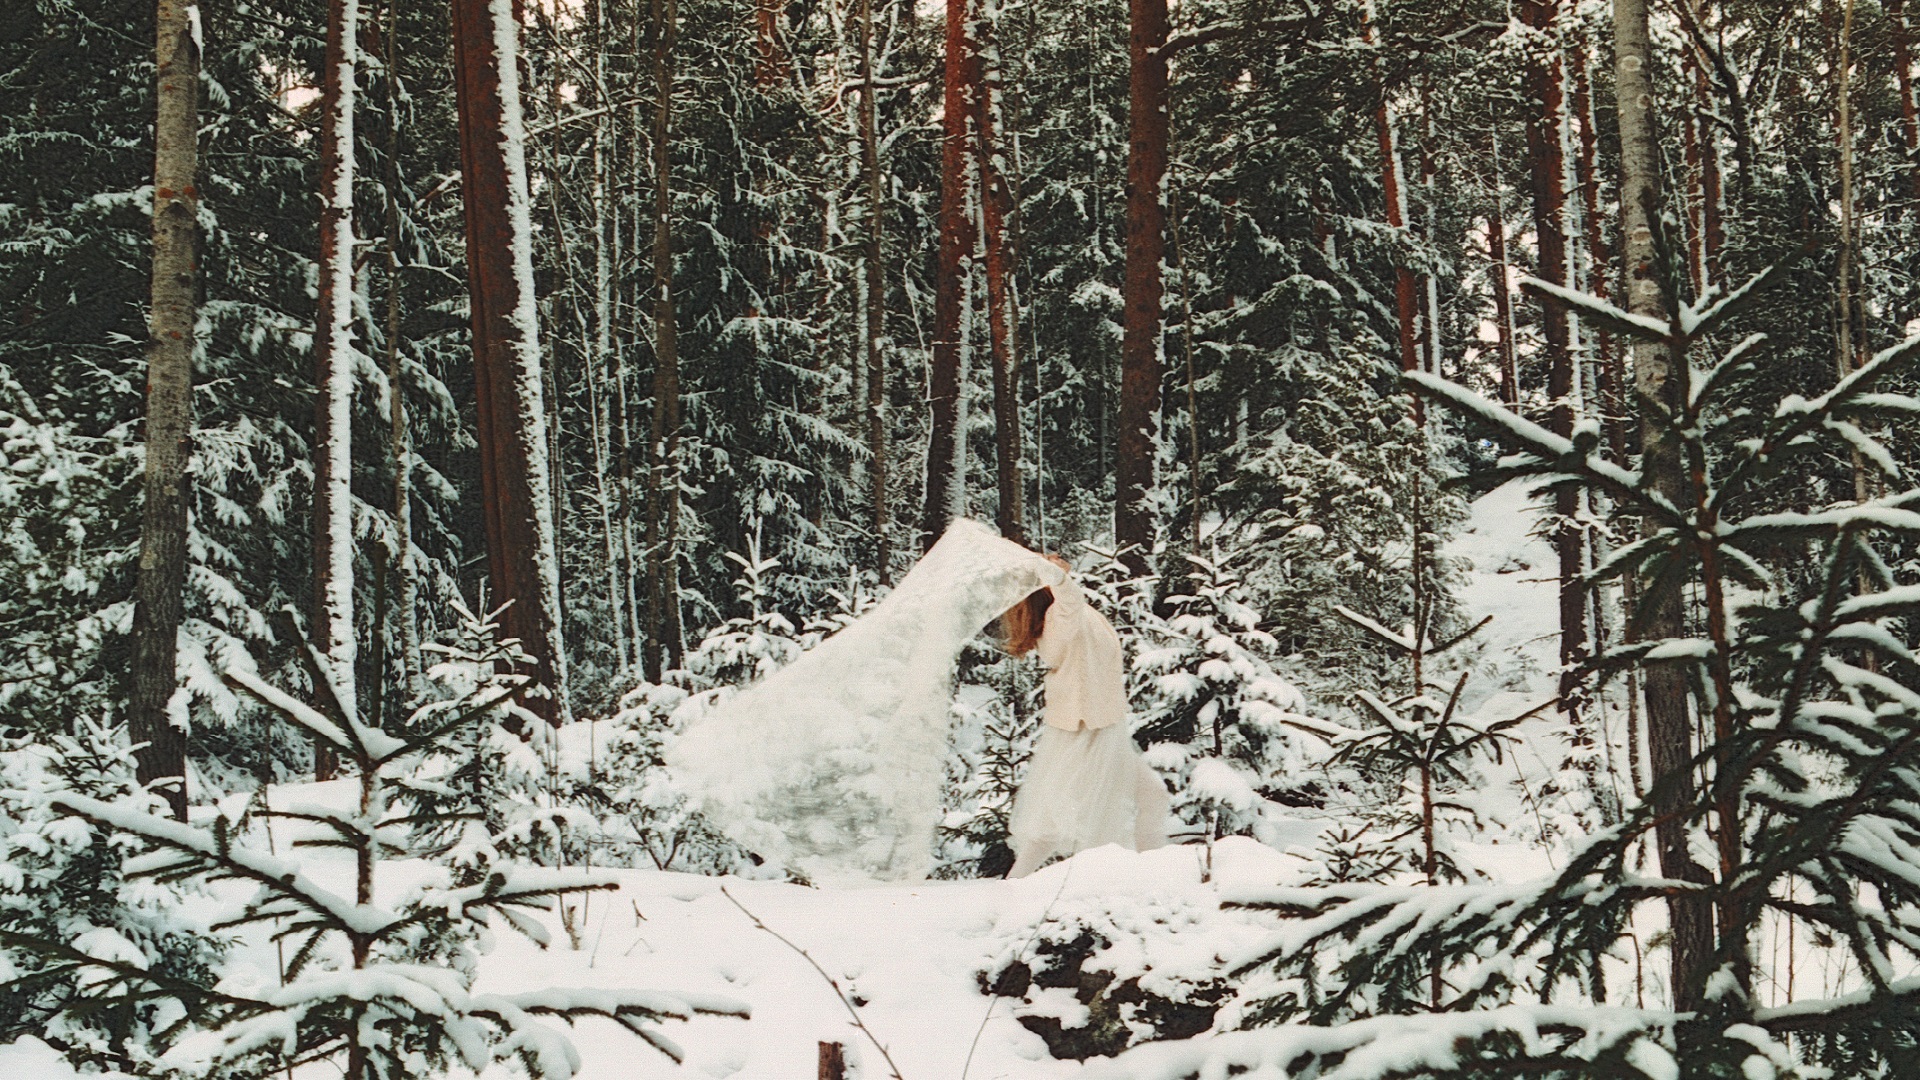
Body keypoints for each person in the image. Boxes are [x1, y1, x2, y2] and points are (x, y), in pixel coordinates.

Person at [999, 555, 1169, 878]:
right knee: (1065, 823)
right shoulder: (1059, 618)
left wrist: (1054, 575)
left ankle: (1154, 876)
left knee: (1151, 797)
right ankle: (1015, 888)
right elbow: (1071, 598)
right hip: (1088, 732)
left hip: (1102, 727)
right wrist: (1056, 575)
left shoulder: (1062, 617)